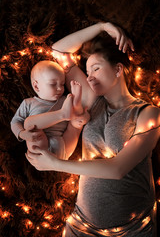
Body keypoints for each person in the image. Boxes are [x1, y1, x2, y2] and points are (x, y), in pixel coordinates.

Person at [25, 22, 160, 236]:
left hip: (132, 229)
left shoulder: (147, 113)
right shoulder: (92, 101)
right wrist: (103, 26)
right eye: (87, 72)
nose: (89, 77)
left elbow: (117, 169)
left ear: (118, 69)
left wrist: (55, 164)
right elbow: (58, 51)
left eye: (95, 68)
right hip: (82, 225)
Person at [11, 60, 89, 159]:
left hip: (63, 146)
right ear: (36, 86)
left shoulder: (66, 100)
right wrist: (22, 134)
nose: (60, 88)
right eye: (53, 84)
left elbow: (79, 117)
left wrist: (84, 117)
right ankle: (62, 114)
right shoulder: (29, 103)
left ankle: (77, 101)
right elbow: (15, 121)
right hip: (40, 149)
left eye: (62, 84)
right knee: (29, 124)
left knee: (75, 124)